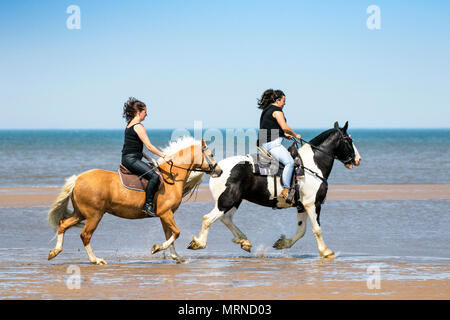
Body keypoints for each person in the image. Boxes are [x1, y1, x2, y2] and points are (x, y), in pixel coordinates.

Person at [121, 97, 170, 217]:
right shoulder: (138, 126)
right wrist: (164, 156)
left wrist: (149, 158)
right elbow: (149, 146)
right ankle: (148, 205)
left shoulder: (129, 124)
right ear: (139, 112)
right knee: (154, 176)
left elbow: (134, 146)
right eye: (145, 112)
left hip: (129, 158)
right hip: (131, 160)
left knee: (152, 169)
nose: (146, 114)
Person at [258, 89, 302, 200]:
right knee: (290, 163)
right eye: (283, 101)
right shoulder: (277, 111)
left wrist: (284, 135)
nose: (284, 103)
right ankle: (286, 189)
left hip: (263, 144)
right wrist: (295, 135)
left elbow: (271, 128)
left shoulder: (266, 110)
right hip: (272, 145)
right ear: (278, 100)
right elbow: (284, 127)